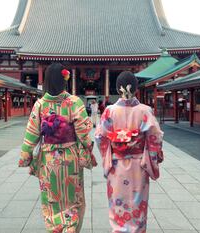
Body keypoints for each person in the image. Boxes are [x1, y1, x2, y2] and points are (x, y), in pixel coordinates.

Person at [19, 63, 96, 233]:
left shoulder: (39, 105)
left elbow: (31, 134)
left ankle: (54, 228)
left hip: (48, 160)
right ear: (65, 80)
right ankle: (70, 229)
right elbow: (83, 132)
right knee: (73, 200)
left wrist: (26, 156)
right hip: (70, 159)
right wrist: (89, 147)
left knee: (51, 201)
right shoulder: (74, 102)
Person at [95, 71, 164, 233]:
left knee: (117, 206)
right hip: (139, 165)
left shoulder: (109, 111)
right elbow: (156, 138)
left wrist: (109, 155)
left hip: (116, 165)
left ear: (117, 89)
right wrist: (153, 158)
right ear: (136, 89)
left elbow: (100, 137)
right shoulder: (145, 111)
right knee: (137, 205)